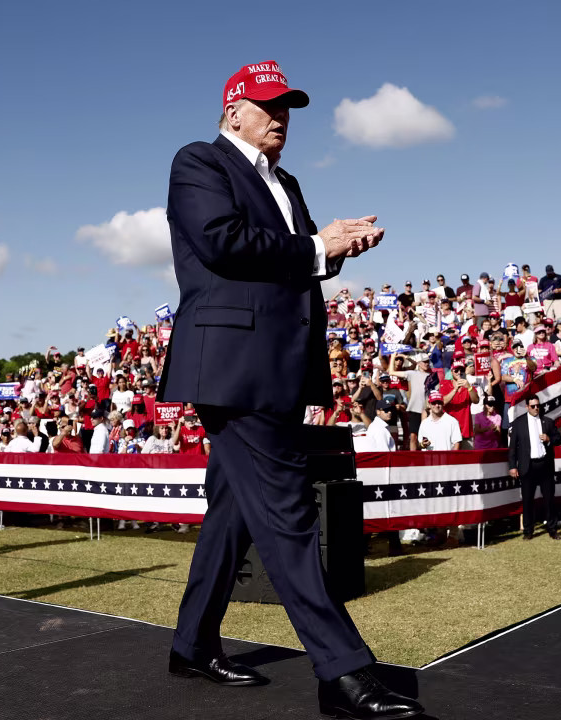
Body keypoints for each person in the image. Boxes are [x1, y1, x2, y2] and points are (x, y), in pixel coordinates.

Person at [156, 60, 420, 718]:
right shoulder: (199, 162)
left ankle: (191, 645)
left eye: (289, 106)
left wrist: (335, 250)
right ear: (233, 111)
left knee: (235, 511)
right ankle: (342, 671)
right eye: (269, 104)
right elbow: (224, 243)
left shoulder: (288, 181)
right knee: (289, 512)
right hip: (232, 368)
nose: (282, 116)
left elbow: (291, 261)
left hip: (275, 365)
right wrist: (314, 246)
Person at [508, 395, 561, 539]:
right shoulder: (518, 424)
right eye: (532, 406)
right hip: (528, 466)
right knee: (527, 500)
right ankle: (528, 531)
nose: (536, 408)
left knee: (549, 498)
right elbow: (512, 447)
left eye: (538, 405)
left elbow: (559, 439)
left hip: (545, 465)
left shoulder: (547, 421)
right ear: (527, 407)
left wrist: (549, 439)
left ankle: (552, 529)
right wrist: (512, 466)